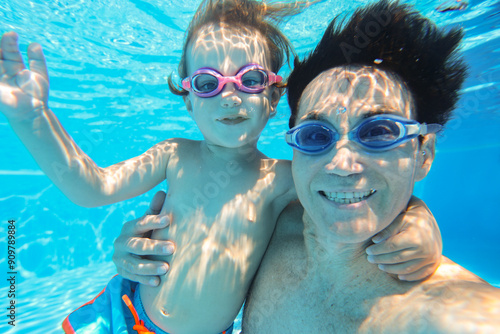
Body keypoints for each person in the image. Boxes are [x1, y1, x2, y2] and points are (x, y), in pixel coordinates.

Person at [0, 0, 441, 333]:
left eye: (249, 80)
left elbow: (357, 194)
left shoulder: (282, 178)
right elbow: (91, 188)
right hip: (122, 310)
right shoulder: (173, 154)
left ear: (271, 99)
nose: (230, 96)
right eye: (209, 84)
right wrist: (32, 119)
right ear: (189, 101)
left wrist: (422, 225)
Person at [239, 0, 500, 332]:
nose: (342, 165)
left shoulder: (458, 317)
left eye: (379, 133)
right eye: (316, 135)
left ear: (424, 155)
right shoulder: (264, 228)